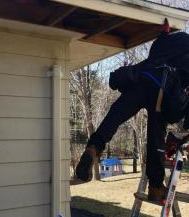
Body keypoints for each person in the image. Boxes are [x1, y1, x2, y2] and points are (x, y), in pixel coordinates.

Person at [76, 24, 189, 202]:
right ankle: (156, 186)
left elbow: (157, 47)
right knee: (156, 136)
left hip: (140, 79)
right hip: (160, 90)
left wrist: (163, 33)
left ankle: (93, 147)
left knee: (117, 114)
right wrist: (183, 132)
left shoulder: (172, 40)